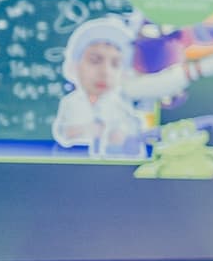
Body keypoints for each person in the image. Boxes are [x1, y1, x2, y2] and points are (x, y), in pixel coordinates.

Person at [53, 16, 148, 158]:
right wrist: (87, 130)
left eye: (115, 64)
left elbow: (133, 132)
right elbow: (63, 133)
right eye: (95, 61)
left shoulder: (120, 106)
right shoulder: (70, 103)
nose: (105, 72)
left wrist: (121, 135)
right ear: (74, 66)